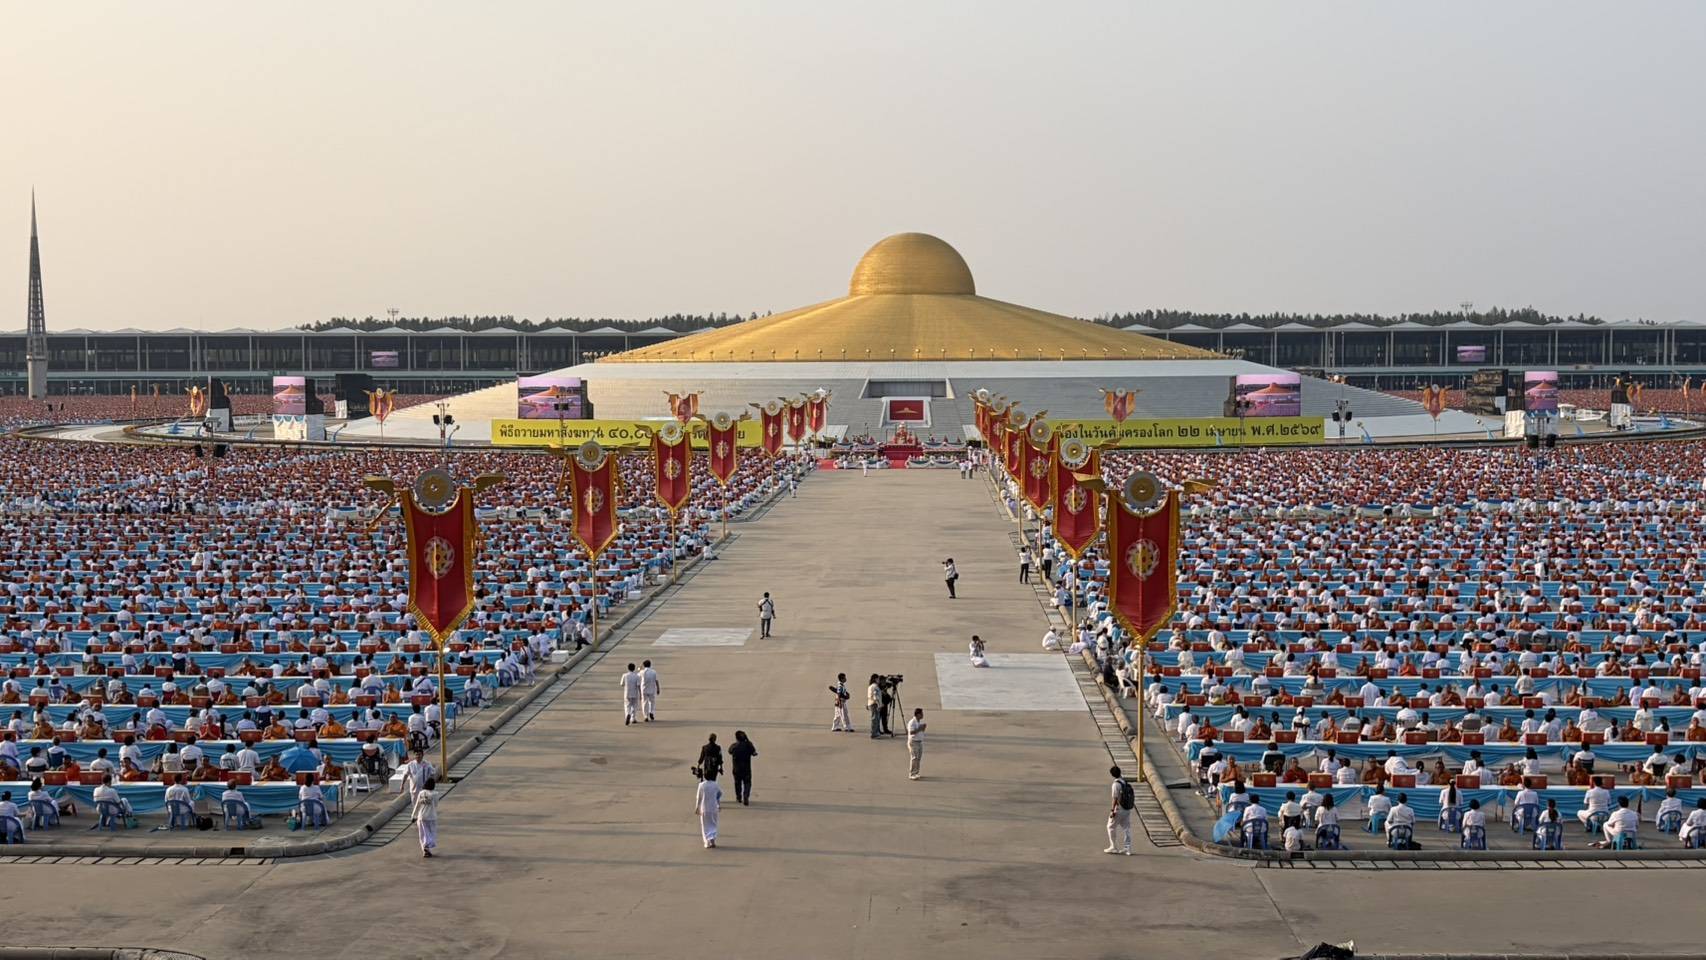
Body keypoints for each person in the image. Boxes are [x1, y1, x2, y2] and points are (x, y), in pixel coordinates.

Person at [1106, 764, 1135, 855]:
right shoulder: (1124, 782)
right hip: (1127, 808)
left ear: (1112, 775)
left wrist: (1112, 811)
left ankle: (1113, 847)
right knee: (1126, 828)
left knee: (1110, 827)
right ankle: (1128, 848)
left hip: (1119, 809)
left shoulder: (1116, 784)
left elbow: (1115, 798)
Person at [411, 776, 439, 857]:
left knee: (423, 834)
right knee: (431, 833)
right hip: (431, 816)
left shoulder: (421, 793)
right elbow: (436, 805)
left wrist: (413, 816)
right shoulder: (435, 794)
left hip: (421, 817)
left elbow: (417, 805)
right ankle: (427, 846)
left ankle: (425, 850)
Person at [694, 769, 723, 849]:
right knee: (713, 824)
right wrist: (718, 804)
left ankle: (707, 842)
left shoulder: (701, 785)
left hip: (704, 808)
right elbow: (719, 794)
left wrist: (697, 807)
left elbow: (699, 797)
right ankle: (712, 839)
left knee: (705, 825)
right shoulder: (715, 785)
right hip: (713, 808)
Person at [728, 731, 757, 805]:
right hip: (746, 768)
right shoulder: (748, 745)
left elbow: (729, 751)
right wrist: (747, 740)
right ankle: (746, 796)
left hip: (737, 768)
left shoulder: (734, 746)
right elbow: (754, 752)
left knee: (737, 783)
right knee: (747, 783)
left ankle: (738, 797)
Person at [907, 708, 926, 780]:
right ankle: (912, 773)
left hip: (919, 742)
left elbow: (920, 731)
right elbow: (911, 732)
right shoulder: (912, 722)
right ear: (918, 714)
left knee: (918, 758)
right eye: (921, 714)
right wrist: (920, 728)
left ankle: (916, 772)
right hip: (913, 742)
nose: (922, 715)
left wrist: (923, 728)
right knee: (914, 758)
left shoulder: (918, 722)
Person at [867, 674, 884, 739]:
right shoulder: (874, 686)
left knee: (875, 718)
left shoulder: (871, 686)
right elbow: (875, 697)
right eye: (878, 679)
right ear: (875, 679)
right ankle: (874, 733)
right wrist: (879, 704)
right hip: (875, 704)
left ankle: (875, 732)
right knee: (875, 719)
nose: (879, 680)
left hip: (872, 703)